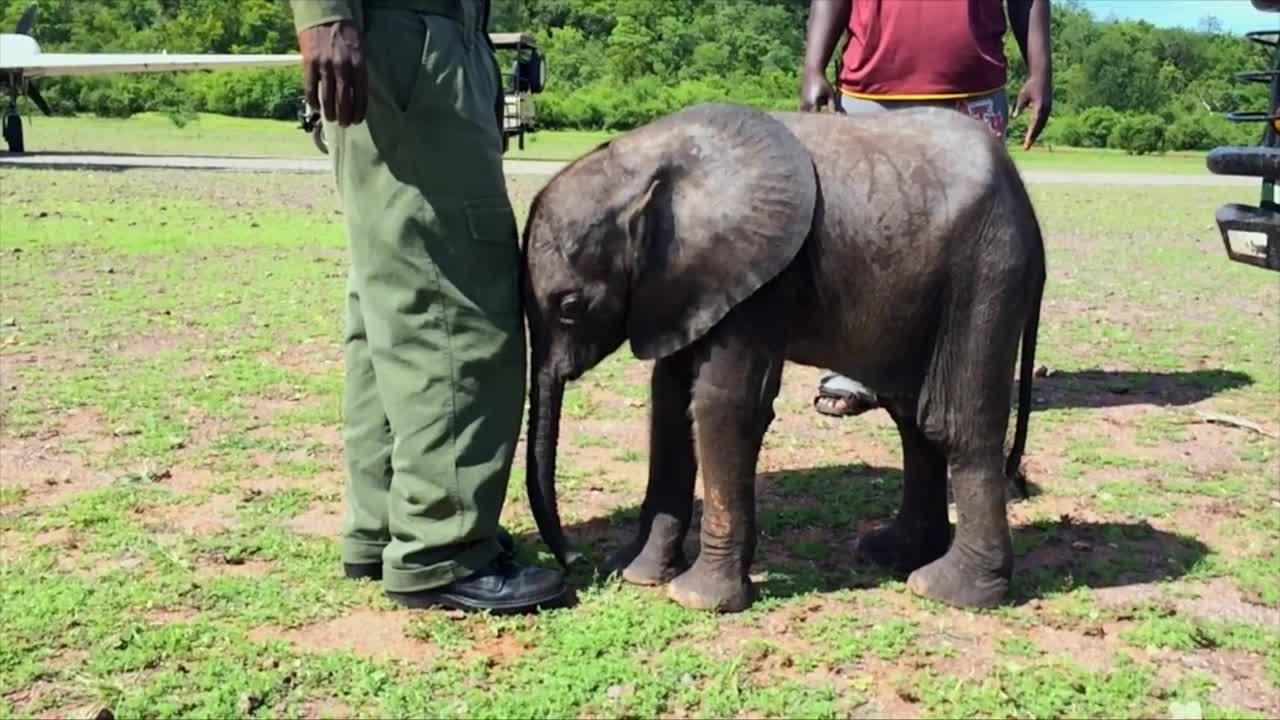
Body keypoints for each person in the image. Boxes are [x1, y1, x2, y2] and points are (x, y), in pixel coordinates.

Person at [288, 0, 569, 613]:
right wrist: (323, 13)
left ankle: (389, 523)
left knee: (397, 284)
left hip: (423, 39)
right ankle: (443, 545)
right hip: (408, 37)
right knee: (456, 292)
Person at [799, 0, 1052, 418]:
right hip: (871, 91)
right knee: (862, 237)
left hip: (973, 89)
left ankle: (961, 369)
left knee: (972, 244)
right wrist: (813, 66)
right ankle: (854, 367)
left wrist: (1040, 71)